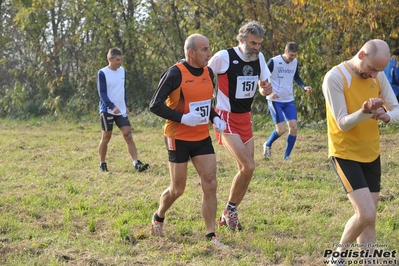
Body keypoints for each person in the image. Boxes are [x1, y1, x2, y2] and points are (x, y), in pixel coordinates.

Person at [322, 39, 399, 265]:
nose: (375, 75)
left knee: (370, 219)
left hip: (371, 153)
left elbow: (395, 110)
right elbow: (343, 122)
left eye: (380, 70)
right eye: (373, 69)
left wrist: (386, 116)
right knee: (365, 213)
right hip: (345, 154)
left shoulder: (378, 75)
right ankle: (338, 256)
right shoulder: (335, 78)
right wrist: (365, 111)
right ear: (362, 55)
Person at [149, 34, 228, 249]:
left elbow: (204, 102)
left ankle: (210, 235)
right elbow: (155, 105)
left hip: (201, 137)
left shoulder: (208, 72)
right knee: (178, 189)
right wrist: (183, 118)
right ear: (191, 52)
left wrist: (215, 117)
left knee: (210, 184)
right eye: (204, 49)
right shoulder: (175, 73)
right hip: (177, 137)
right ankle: (159, 216)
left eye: (209, 48)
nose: (209, 53)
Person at [207, 21, 272, 231]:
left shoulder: (259, 58)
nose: (256, 47)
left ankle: (230, 213)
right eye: (253, 43)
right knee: (248, 166)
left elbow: (263, 88)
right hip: (225, 117)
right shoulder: (224, 57)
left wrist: (266, 89)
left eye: (259, 44)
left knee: (246, 170)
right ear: (241, 39)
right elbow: (203, 75)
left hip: (245, 118)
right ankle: (229, 210)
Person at [97, 47, 149, 172]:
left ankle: (136, 163)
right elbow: (102, 93)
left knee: (128, 135)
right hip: (107, 110)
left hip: (120, 110)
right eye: (117, 60)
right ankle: (102, 163)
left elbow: (122, 89)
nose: (119, 62)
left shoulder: (122, 71)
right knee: (106, 137)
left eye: (121, 60)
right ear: (110, 59)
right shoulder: (102, 73)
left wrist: (124, 104)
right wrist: (111, 106)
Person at [262, 42, 312, 161]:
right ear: (285, 51)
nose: (292, 58)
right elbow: (262, 77)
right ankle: (267, 144)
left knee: (294, 128)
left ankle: (286, 156)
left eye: (295, 55)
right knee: (281, 130)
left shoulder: (294, 62)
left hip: (289, 99)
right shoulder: (274, 61)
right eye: (290, 55)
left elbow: (296, 77)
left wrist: (304, 87)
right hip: (275, 100)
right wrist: (269, 91)